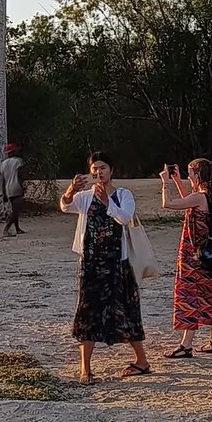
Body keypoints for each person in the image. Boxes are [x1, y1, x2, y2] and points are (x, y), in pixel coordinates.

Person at [60, 152, 150, 385]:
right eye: (95, 169)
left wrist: (107, 202)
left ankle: (141, 361)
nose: (99, 172)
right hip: (91, 263)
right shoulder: (85, 196)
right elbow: (65, 206)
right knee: (87, 312)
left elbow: (125, 218)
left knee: (126, 309)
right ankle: (85, 369)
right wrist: (71, 189)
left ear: (111, 170)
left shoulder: (123, 195)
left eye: (103, 168)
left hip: (117, 263)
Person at [160, 158, 212, 357]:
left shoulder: (199, 197)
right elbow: (189, 201)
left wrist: (165, 183)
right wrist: (178, 181)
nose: (189, 176)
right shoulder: (210, 196)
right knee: (210, 294)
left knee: (189, 295)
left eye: (190, 173)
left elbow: (168, 204)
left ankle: (186, 345)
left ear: (198, 175)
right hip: (210, 255)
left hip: (194, 257)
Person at [0, 144, 26, 237]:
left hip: (8, 188)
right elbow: (20, 176)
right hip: (16, 187)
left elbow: (3, 180)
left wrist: (4, 193)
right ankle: (6, 229)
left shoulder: (3, 164)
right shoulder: (18, 161)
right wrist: (22, 187)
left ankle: (17, 228)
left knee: (15, 208)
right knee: (16, 210)